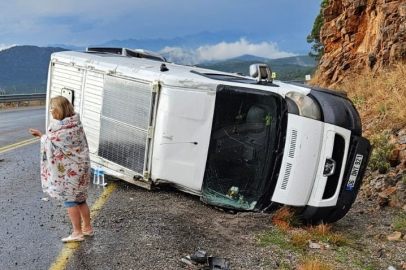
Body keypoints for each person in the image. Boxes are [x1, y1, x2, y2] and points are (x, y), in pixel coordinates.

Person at [29, 96, 93, 243]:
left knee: (70, 200)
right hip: (81, 167)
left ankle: (77, 232)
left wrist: (40, 136)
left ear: (59, 109)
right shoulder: (76, 124)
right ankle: (87, 228)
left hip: (71, 171)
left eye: (52, 108)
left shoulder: (63, 128)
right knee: (81, 199)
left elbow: (52, 141)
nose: (50, 110)